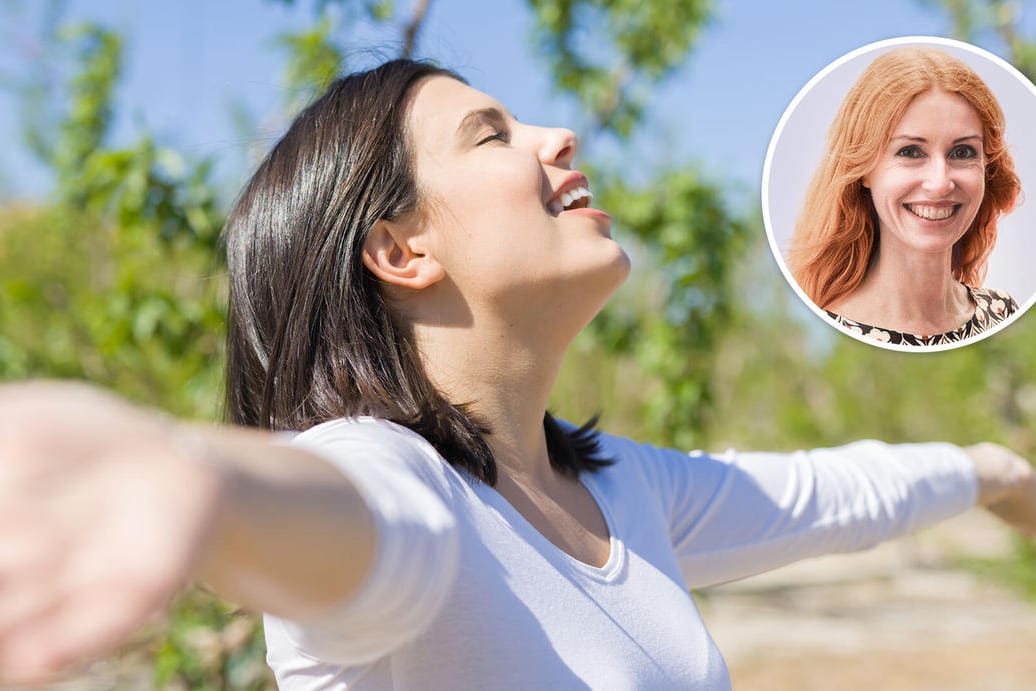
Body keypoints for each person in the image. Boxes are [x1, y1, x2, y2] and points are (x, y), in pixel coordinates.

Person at [1, 59, 1035, 690]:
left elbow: (833, 494)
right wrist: (190, 476)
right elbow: (346, 522)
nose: (560, 136)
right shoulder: (390, 477)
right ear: (401, 251)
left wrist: (993, 470)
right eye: (491, 133)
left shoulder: (620, 488)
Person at [789, 47, 1022, 347]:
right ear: (864, 170)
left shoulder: (1004, 315)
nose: (940, 183)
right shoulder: (826, 338)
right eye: (910, 152)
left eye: (962, 152)